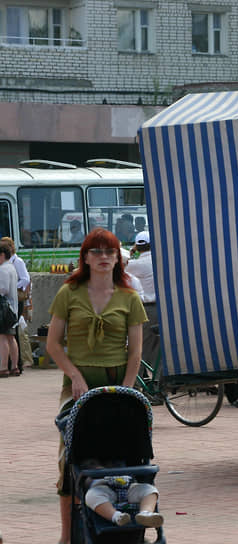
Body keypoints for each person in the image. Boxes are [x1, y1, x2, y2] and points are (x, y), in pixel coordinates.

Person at [47, 228, 147, 544]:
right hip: (78, 386)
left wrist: (128, 391)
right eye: (96, 252)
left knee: (125, 454)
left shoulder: (129, 297)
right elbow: (53, 344)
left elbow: (136, 351)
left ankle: (132, 525)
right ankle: (66, 536)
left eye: (109, 252)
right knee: (71, 458)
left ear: (118, 257)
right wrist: (75, 376)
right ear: (86, 258)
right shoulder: (69, 293)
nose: (103, 257)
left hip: (118, 383)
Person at [82, 459, 163, 528]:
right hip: (103, 487)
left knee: (150, 490)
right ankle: (117, 517)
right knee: (91, 496)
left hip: (129, 486)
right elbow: (84, 476)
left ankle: (145, 513)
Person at [126, 231, 159, 367]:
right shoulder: (159, 260)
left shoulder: (134, 265)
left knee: (141, 347)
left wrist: (131, 251)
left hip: (145, 309)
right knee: (159, 349)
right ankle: (158, 381)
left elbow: (120, 264)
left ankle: (137, 383)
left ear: (138, 247)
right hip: (161, 308)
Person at [1, 236, 31, 373]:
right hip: (13, 303)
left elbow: (25, 279)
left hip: (9, 304)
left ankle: (6, 366)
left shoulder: (14, 263)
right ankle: (14, 366)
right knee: (11, 336)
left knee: (6, 335)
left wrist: (14, 287)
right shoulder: (10, 265)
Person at [0, 243, 19, 378]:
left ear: (2, 255)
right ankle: (15, 367)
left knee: (2, 337)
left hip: (3, 308)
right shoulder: (11, 268)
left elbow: (2, 289)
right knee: (11, 338)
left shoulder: (3, 269)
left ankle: (3, 367)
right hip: (12, 308)